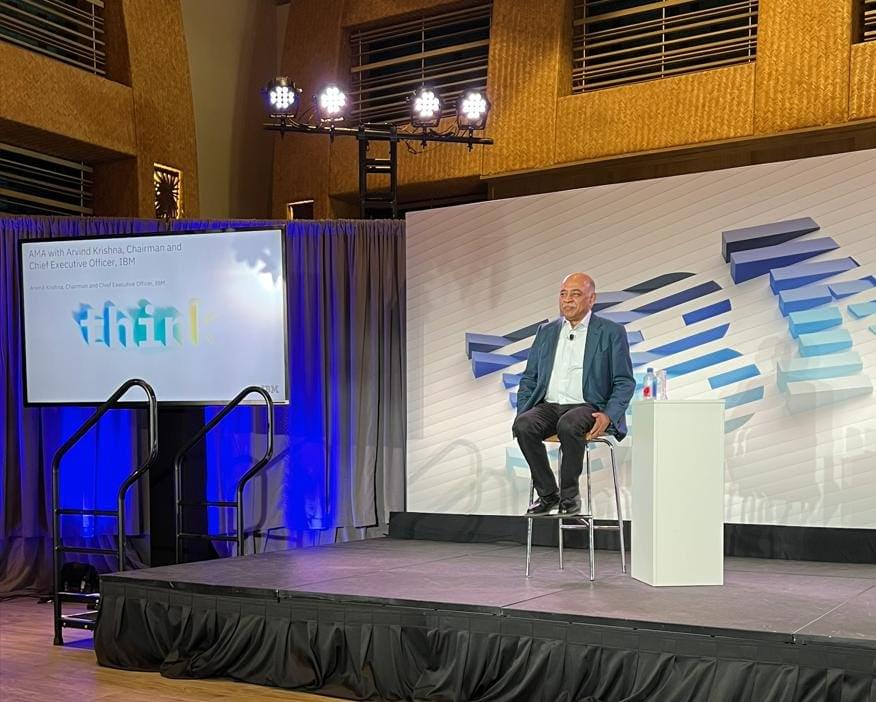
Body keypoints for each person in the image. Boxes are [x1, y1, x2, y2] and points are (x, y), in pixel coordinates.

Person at [512, 273, 635, 515]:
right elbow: (529, 377)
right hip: (550, 405)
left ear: (592, 299)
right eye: (563, 294)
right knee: (523, 425)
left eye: (575, 294)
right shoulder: (546, 331)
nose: (567, 300)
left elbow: (624, 381)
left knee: (569, 424)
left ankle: (570, 499)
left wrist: (609, 415)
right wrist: (523, 409)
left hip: (587, 405)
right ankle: (549, 494)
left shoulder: (611, 331)